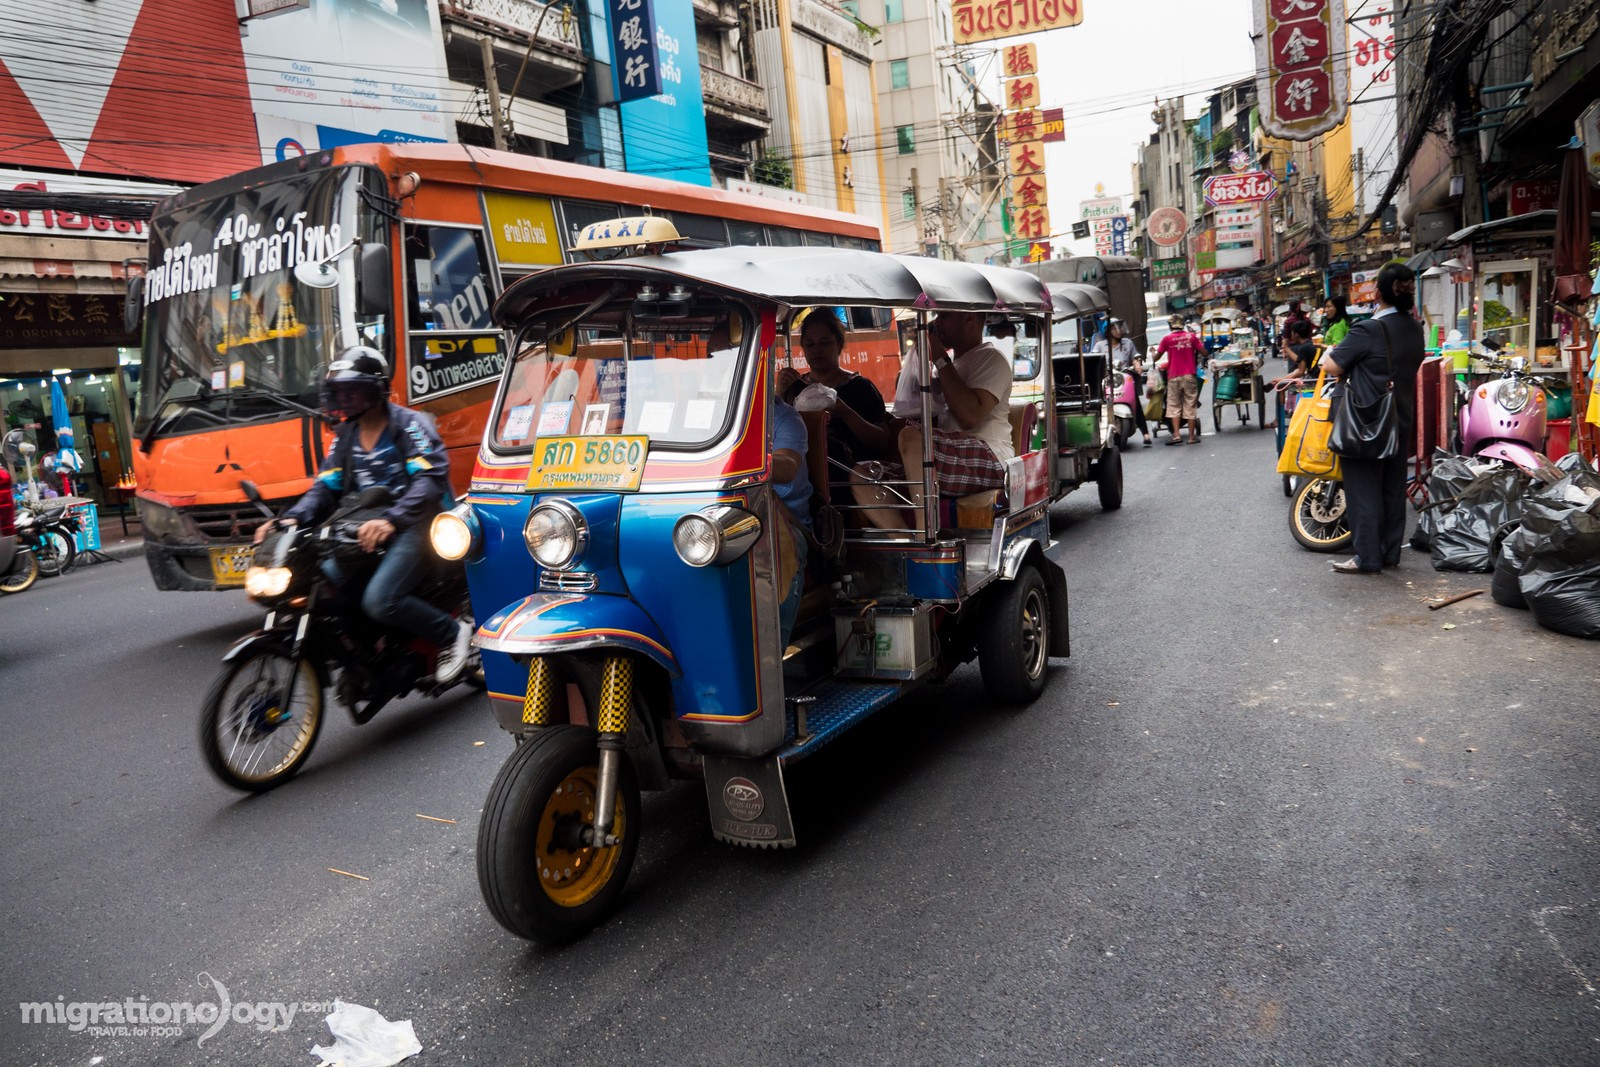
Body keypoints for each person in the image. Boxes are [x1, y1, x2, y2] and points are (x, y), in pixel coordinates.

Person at [257, 347, 474, 681]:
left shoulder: (409, 426)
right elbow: (325, 487)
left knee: (380, 600)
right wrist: (293, 518)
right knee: (321, 583)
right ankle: (369, 648)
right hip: (358, 529)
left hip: (413, 525)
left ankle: (451, 634)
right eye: (340, 391)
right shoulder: (345, 437)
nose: (345, 398)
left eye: (353, 389)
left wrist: (391, 519)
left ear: (377, 389)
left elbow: (429, 479)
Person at [852, 311, 1013, 527]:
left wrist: (938, 356)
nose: (937, 323)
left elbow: (969, 417)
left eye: (945, 316)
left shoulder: (991, 359)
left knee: (911, 437)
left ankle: (924, 531)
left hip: (990, 457)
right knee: (861, 474)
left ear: (969, 318)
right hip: (948, 459)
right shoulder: (953, 365)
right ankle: (905, 542)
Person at [1320, 262, 1425, 574]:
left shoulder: (1369, 329)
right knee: (1392, 488)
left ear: (1377, 292)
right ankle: (1390, 553)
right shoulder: (1415, 328)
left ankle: (1367, 557)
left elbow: (1332, 366)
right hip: (1399, 417)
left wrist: (1329, 353)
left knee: (1363, 489)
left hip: (1365, 420)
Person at [777, 310, 894, 478]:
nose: (817, 350)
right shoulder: (795, 387)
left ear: (839, 344)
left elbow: (882, 443)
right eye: (810, 344)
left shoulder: (861, 387)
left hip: (853, 479)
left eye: (824, 343)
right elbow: (772, 435)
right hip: (804, 477)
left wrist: (846, 413)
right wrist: (779, 392)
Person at [769, 388, 812, 646]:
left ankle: (774, 655)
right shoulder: (708, 414)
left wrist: (735, 458)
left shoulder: (786, 419)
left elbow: (786, 467)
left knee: (780, 551)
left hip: (785, 521)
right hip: (725, 516)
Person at [1092, 320, 1152, 446]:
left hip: (1124, 378)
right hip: (1107, 379)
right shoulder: (1100, 346)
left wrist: (1137, 366)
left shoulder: (1127, 343)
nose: (1119, 331)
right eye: (1115, 328)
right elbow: (1094, 360)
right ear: (1107, 331)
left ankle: (1145, 433)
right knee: (1099, 403)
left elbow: (1135, 358)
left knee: (1135, 402)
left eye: (1120, 328)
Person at [1155, 313, 1204, 445]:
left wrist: (1153, 353)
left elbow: (1156, 358)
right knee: (1190, 405)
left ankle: (1176, 435)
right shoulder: (1191, 337)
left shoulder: (1167, 339)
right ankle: (1191, 437)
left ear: (1171, 325)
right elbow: (1204, 352)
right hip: (1189, 376)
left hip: (1173, 376)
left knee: (1174, 405)